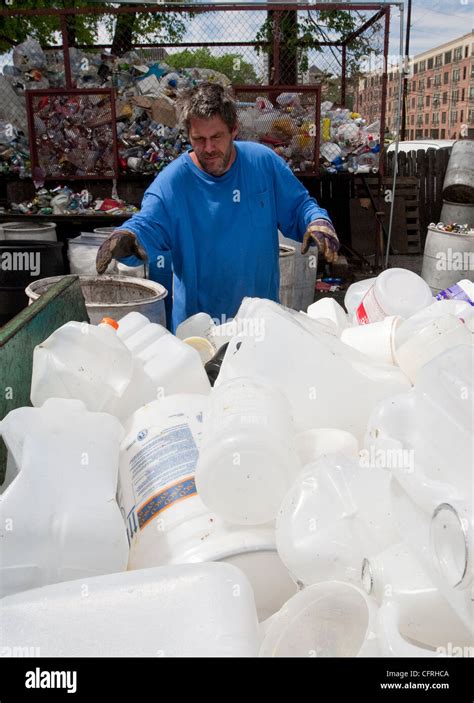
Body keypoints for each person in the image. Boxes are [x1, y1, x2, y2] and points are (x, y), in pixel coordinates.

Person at [96, 82, 340, 331]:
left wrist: (317, 221)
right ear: (188, 135)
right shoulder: (172, 183)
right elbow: (146, 225)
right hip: (199, 332)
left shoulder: (263, 164)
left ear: (234, 129)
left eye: (216, 137)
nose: (209, 148)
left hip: (260, 324)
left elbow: (300, 206)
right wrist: (125, 238)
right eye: (199, 139)